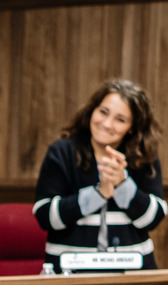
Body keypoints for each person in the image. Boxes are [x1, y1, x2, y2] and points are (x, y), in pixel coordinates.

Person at [33, 78, 166, 271]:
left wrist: (123, 185)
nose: (106, 123)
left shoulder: (143, 156)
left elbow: (153, 219)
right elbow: (45, 217)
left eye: (120, 119)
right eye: (103, 112)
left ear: (131, 127)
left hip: (133, 275)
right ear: (92, 111)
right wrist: (98, 194)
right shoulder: (62, 152)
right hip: (69, 275)